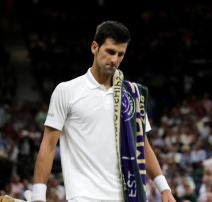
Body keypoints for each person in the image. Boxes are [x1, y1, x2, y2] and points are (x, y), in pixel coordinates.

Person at [29, 20, 176, 202]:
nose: (114, 60)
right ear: (94, 47)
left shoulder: (132, 95)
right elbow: (48, 145)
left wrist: (164, 188)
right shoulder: (66, 91)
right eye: (110, 52)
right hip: (83, 196)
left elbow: (142, 145)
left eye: (120, 54)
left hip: (126, 196)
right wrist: (38, 196)